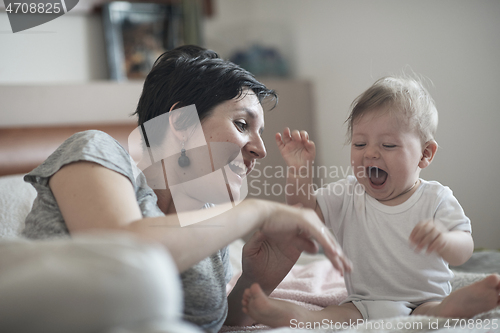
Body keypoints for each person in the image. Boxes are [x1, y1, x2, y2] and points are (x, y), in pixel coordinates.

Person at [19, 45, 351, 333]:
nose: (261, 150)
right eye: (241, 124)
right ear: (181, 122)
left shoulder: (207, 220)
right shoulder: (96, 150)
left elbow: (211, 318)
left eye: (260, 132)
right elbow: (124, 260)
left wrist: (258, 276)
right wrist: (257, 210)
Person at [241, 76, 500, 326]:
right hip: (363, 303)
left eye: (388, 145)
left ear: (425, 154)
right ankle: (284, 314)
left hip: (424, 301)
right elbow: (305, 213)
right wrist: (299, 171)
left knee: (437, 312)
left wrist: (445, 241)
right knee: (329, 316)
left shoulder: (436, 199)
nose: (371, 153)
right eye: (360, 143)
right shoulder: (348, 193)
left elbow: (465, 248)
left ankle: (462, 304)